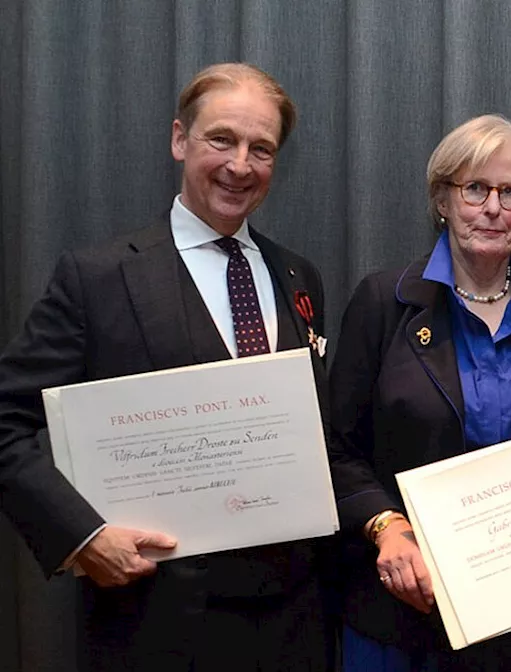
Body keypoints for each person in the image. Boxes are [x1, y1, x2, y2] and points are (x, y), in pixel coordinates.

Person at [0, 63, 332, 670]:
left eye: (262, 149)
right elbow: (5, 420)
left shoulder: (298, 276)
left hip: (296, 622)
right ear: (180, 139)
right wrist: (83, 535)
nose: (240, 165)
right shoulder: (97, 278)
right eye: (221, 139)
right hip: (154, 623)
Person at [327, 113, 511, 671]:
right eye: (475, 188)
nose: (491, 208)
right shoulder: (385, 301)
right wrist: (387, 527)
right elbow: (335, 447)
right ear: (443, 199)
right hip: (408, 613)